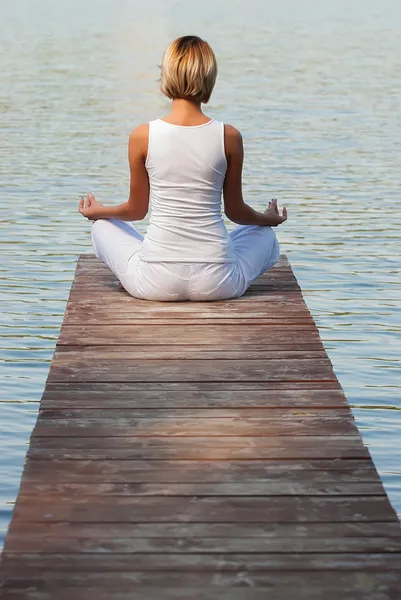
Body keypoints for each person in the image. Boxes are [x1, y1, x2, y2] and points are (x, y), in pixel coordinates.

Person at [78, 35, 287, 301]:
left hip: (155, 280)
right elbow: (235, 212)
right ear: (209, 79)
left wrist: (99, 212)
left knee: (101, 228)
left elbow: (136, 210)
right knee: (264, 235)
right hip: (218, 282)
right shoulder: (229, 136)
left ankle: (134, 271)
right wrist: (267, 219)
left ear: (166, 77)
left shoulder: (142, 135)